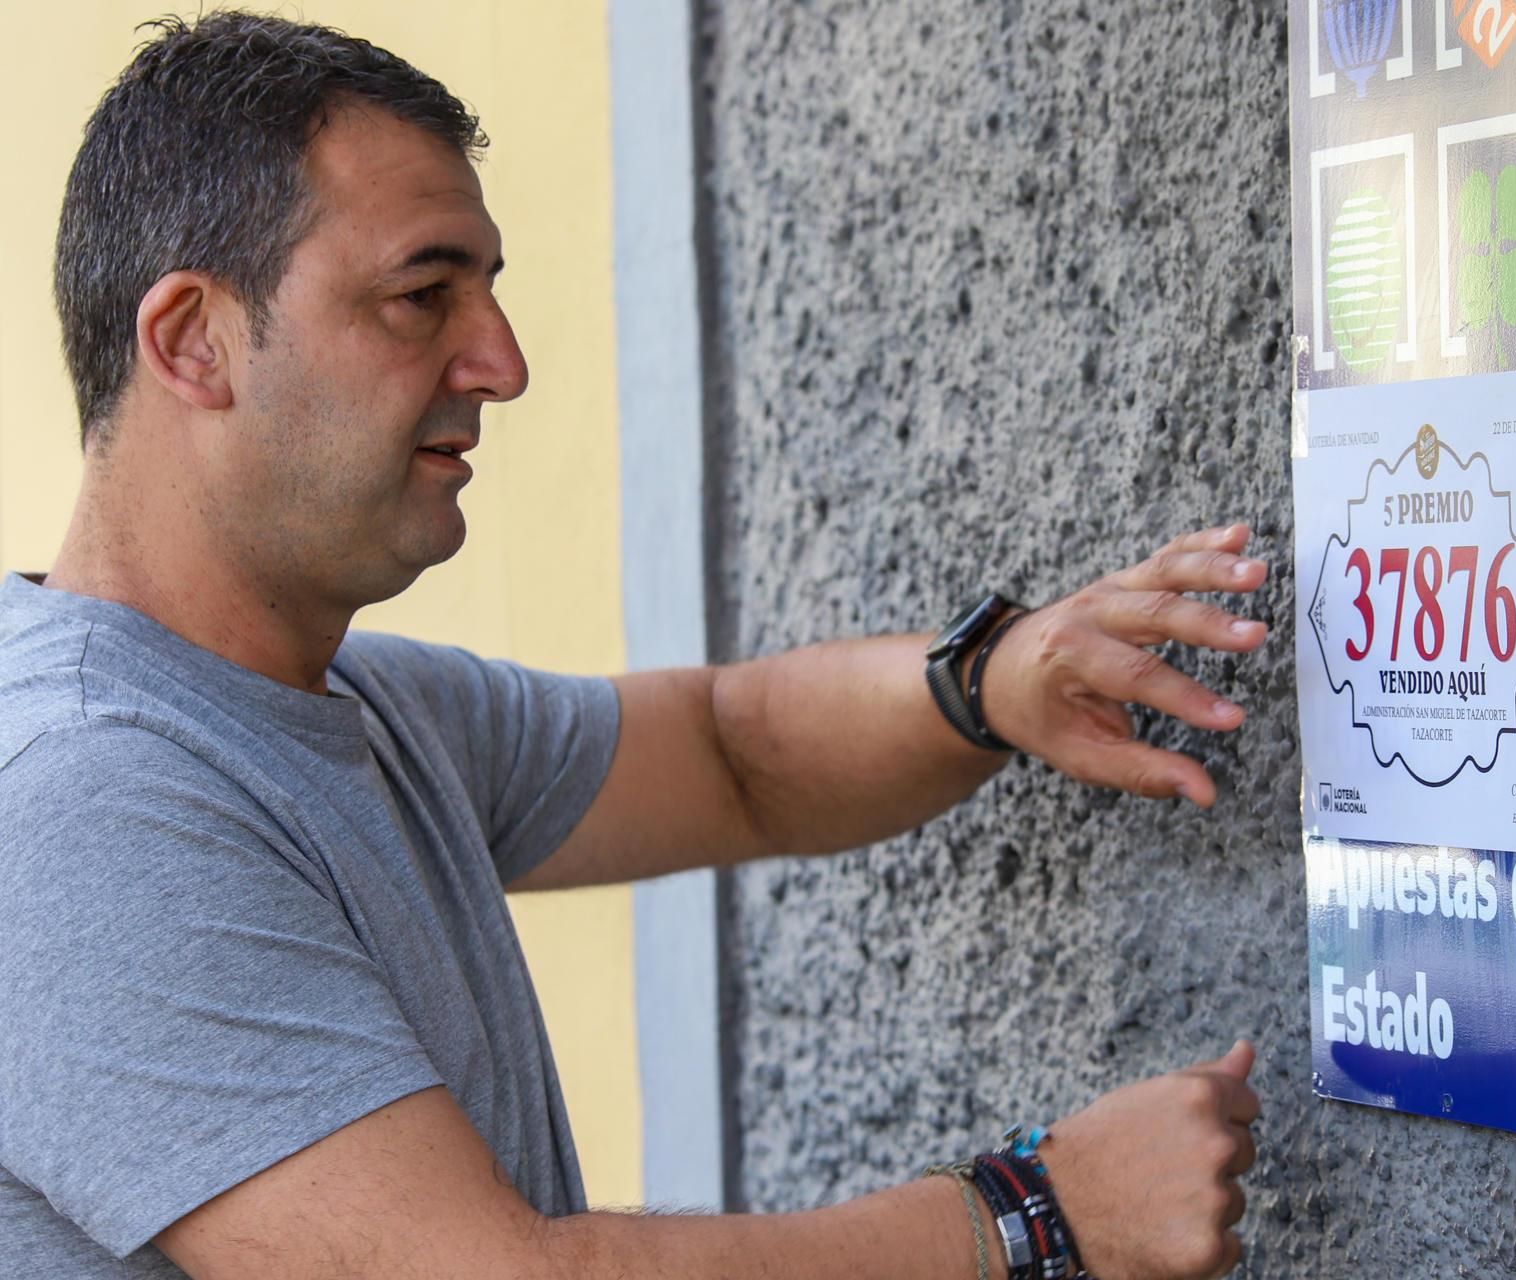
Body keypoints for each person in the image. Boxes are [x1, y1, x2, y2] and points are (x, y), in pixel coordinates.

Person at [0, 13, 1273, 1280]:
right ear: (191, 343)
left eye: (489, 291)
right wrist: (1035, 1214)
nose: (501, 362)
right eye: (421, 296)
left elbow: (730, 752)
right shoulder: (90, 801)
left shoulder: (343, 704)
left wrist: (994, 681)